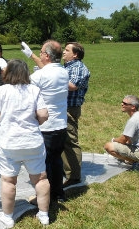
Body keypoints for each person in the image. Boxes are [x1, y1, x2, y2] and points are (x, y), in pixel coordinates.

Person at [0, 58, 51, 227]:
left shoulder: (2, 91)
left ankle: (8, 217)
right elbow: (44, 114)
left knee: (9, 181)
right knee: (41, 179)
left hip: (9, 143)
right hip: (33, 141)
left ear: (8, 73)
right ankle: (44, 214)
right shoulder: (34, 90)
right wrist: (35, 123)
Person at [23, 40, 69, 203]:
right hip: (61, 125)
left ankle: (45, 198)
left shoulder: (39, 76)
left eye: (41, 52)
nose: (40, 54)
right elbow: (48, 72)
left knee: (43, 165)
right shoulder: (63, 72)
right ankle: (58, 193)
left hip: (45, 127)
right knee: (56, 161)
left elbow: (22, 87)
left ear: (47, 56)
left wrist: (7, 70)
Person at [61, 42, 90, 188]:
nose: (63, 52)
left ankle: (74, 176)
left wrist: (54, 78)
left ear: (75, 54)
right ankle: (66, 169)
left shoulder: (78, 67)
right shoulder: (67, 67)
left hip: (70, 109)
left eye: (67, 50)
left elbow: (72, 85)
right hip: (63, 107)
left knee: (70, 141)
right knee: (62, 140)